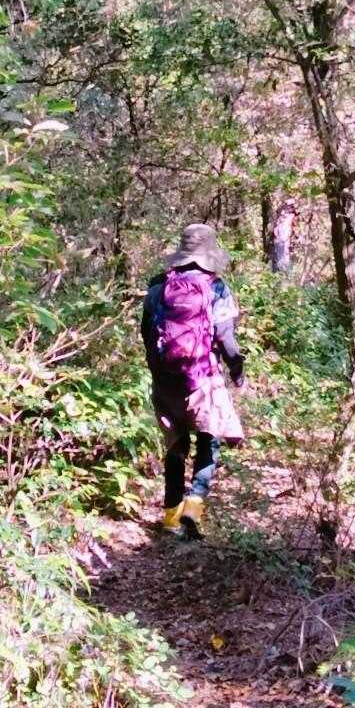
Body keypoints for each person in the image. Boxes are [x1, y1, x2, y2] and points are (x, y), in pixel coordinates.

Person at [141, 223, 244, 541]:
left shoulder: (158, 286)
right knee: (208, 440)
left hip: (165, 382)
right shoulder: (216, 288)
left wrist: (159, 370)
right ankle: (193, 509)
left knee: (176, 446)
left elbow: (146, 332)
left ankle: (170, 519)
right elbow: (226, 337)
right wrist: (237, 370)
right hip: (202, 379)